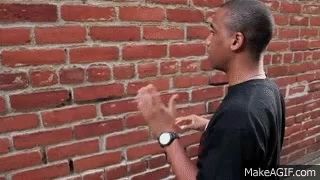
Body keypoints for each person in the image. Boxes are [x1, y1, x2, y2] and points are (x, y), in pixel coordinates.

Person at [136, 0, 286, 179]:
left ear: (236, 41)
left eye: (213, 31)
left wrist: (165, 133)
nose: (207, 41)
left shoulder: (238, 114)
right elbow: (249, 143)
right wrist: (210, 125)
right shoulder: (270, 90)